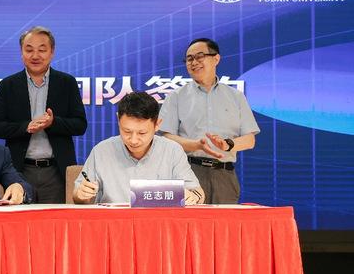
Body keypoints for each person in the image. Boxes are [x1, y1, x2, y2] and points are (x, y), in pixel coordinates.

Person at [0, 26, 87, 204]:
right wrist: (25, 127)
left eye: (42, 50)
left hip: (56, 171)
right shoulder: (8, 85)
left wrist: (53, 123)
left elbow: (80, 125)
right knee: (18, 219)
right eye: (29, 50)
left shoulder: (67, 83)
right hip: (18, 171)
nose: (35, 56)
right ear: (21, 52)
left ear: (52, 52)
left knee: (55, 219)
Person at [158, 38, 260, 204]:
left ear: (216, 59)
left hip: (224, 176)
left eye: (200, 56)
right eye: (189, 59)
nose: (194, 62)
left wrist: (227, 144)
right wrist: (196, 145)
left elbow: (250, 140)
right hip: (188, 173)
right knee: (189, 221)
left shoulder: (236, 96)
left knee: (224, 221)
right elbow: (166, 138)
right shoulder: (176, 96)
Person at [73, 92, 204, 205]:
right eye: (127, 131)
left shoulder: (172, 151)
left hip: (157, 223)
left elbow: (198, 193)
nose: (133, 140)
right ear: (118, 120)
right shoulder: (101, 151)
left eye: (142, 133)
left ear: (157, 124)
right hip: (113, 222)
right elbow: (77, 197)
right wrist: (82, 194)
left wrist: (192, 196)